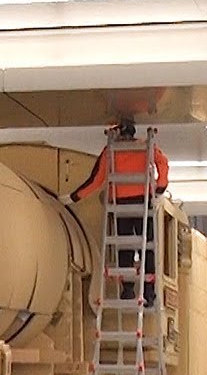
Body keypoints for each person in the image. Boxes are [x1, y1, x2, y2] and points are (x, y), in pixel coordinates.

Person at [60, 122, 170, 306]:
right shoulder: (146, 146)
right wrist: (160, 188)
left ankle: (128, 290)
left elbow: (96, 180)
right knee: (147, 249)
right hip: (143, 203)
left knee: (125, 248)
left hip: (121, 204)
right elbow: (163, 164)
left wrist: (73, 197)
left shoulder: (110, 150)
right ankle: (149, 293)